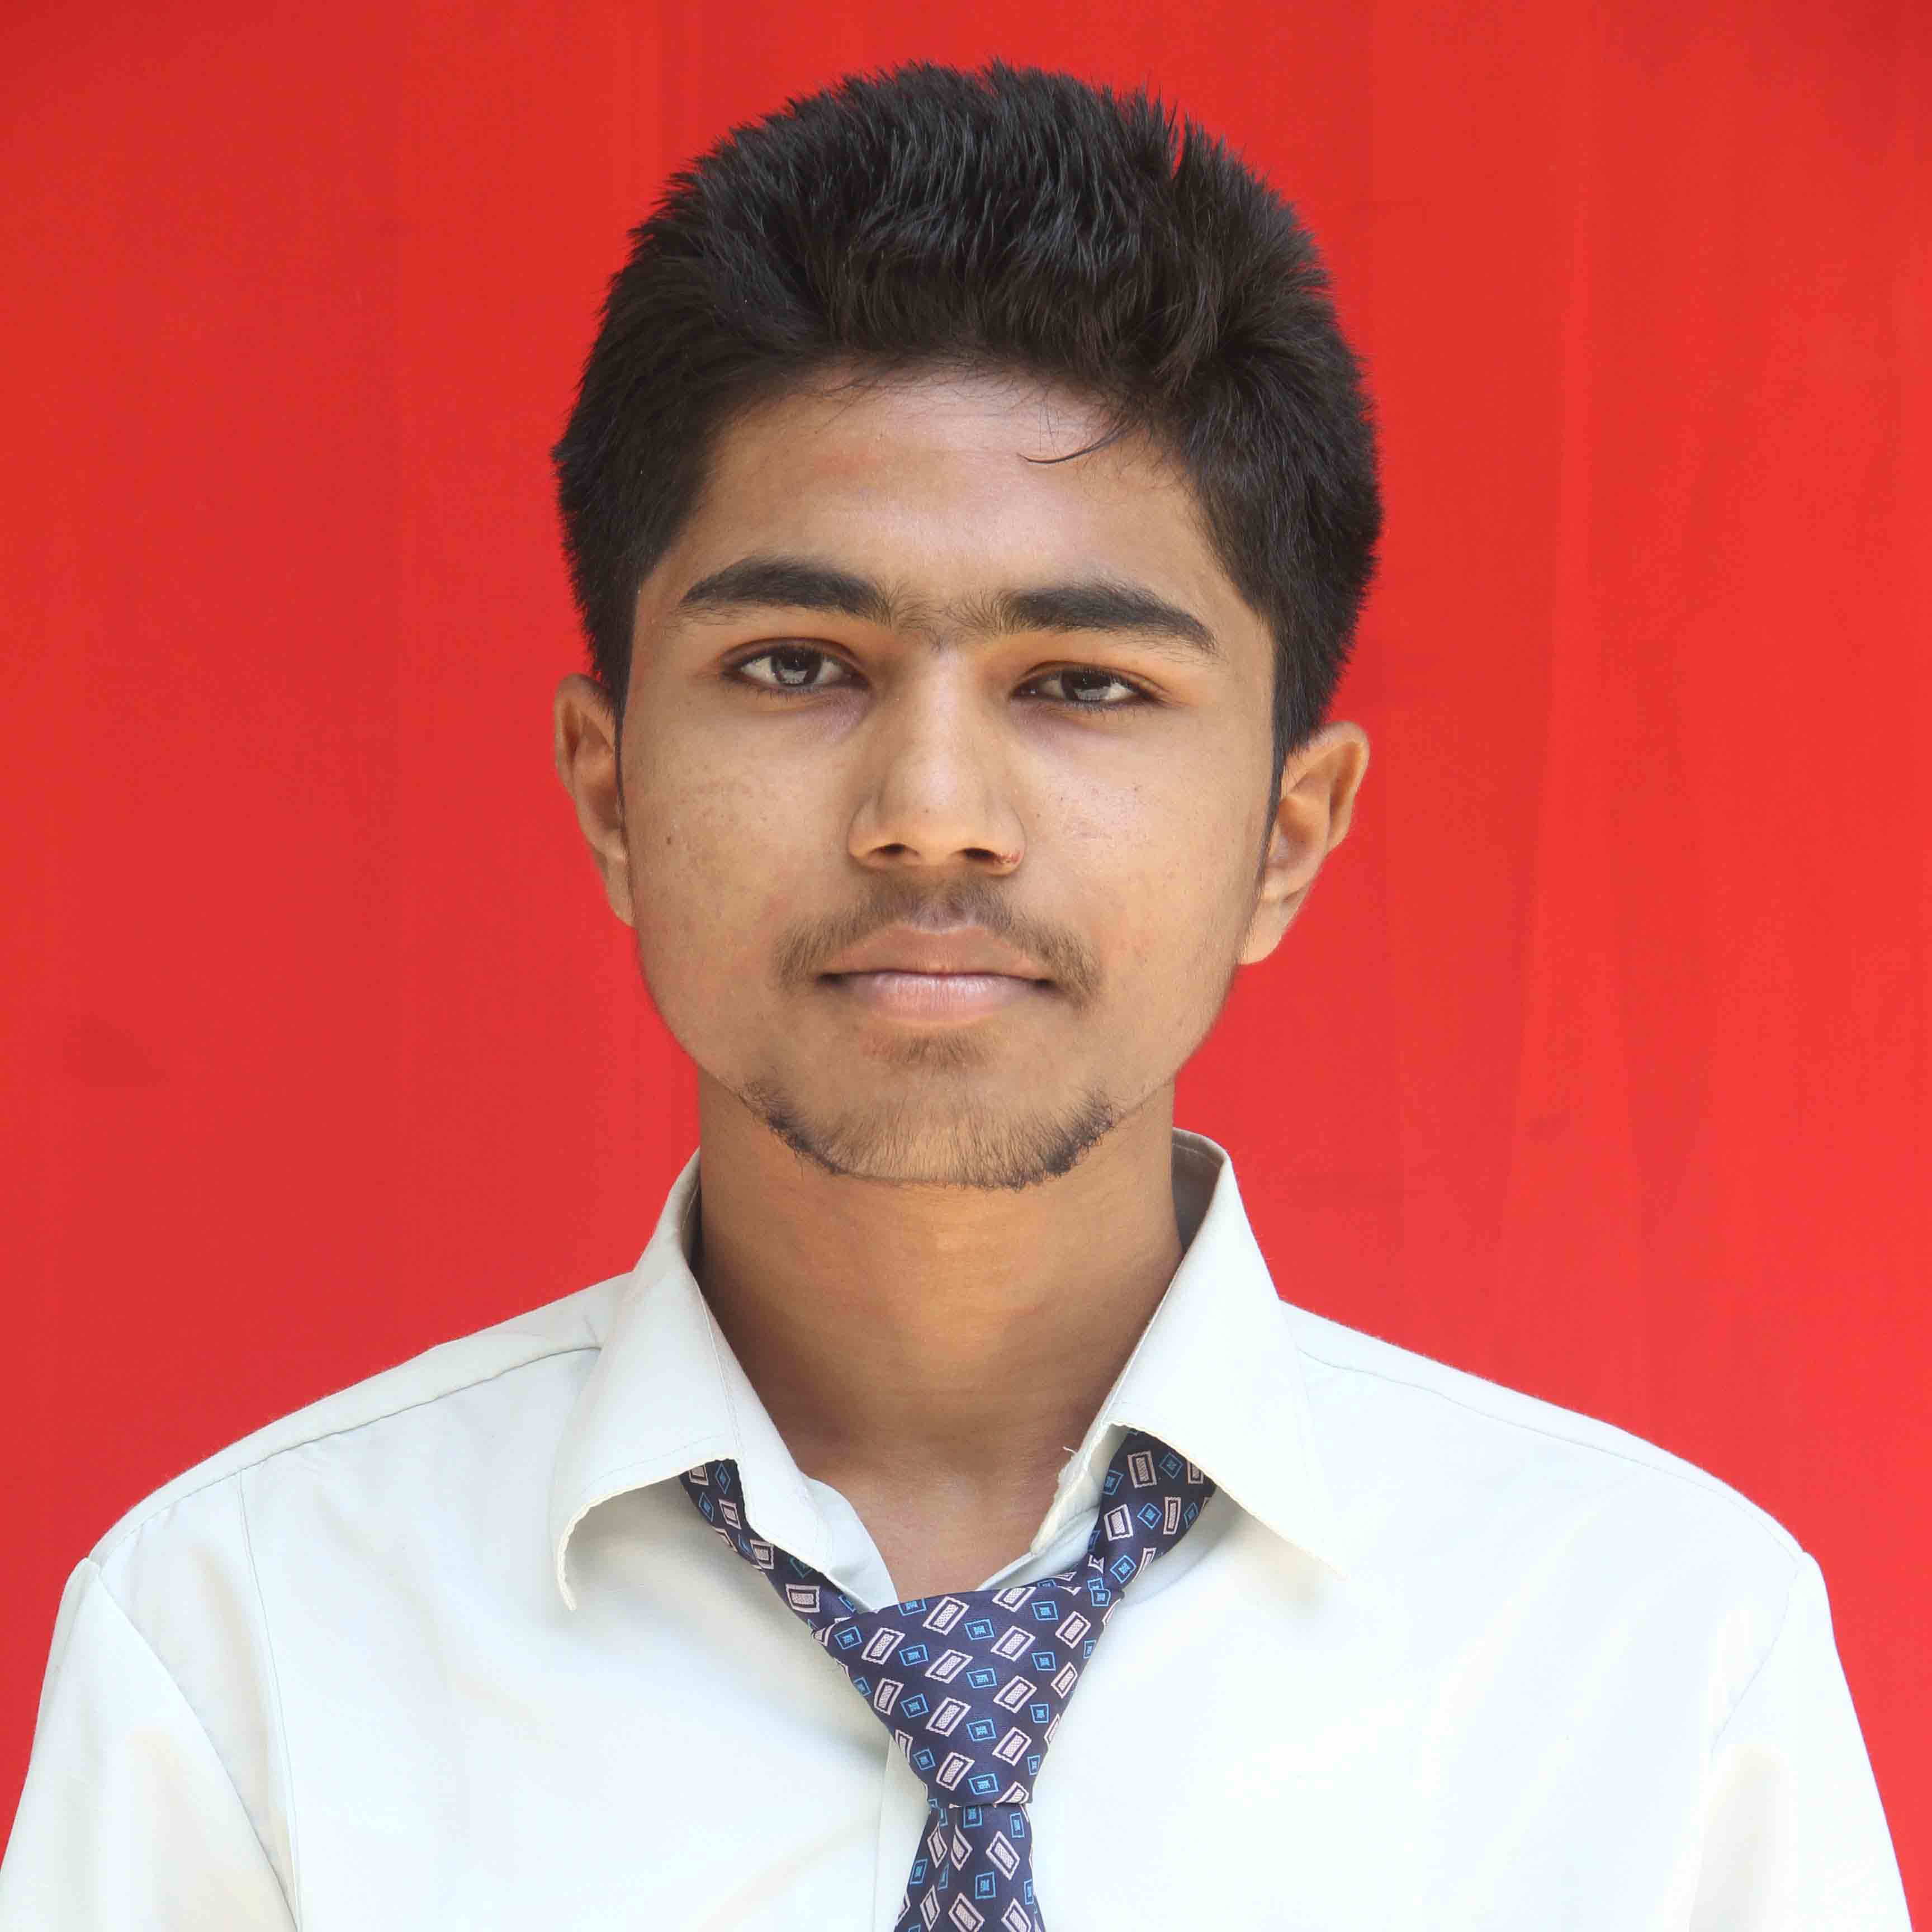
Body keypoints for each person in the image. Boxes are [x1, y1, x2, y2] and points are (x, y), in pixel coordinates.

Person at [0, 60, 1909, 1931]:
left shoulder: (1655, 1660)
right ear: (611, 792)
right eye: (795, 664)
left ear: (1288, 834)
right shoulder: (244, 1649)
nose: (930, 813)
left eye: (1084, 683)